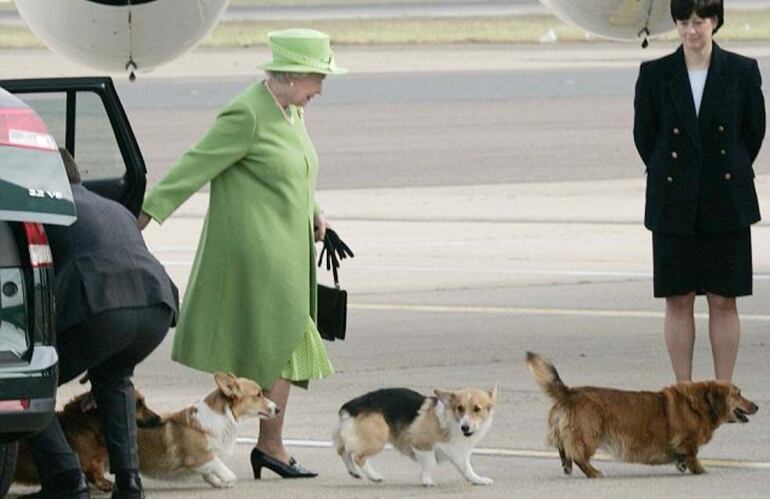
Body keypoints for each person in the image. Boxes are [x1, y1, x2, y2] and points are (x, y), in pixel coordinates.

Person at [137, 28, 346, 479]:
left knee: (277, 348)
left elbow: (298, 170)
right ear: (291, 76)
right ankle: (267, 445)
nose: (320, 90)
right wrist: (143, 217)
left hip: (289, 250)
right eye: (316, 79)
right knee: (291, 344)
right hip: (258, 254)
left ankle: (262, 444)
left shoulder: (291, 113)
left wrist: (315, 211)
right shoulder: (247, 114)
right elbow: (194, 165)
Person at [23, 148, 178, 499]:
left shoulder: (43, 207)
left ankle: (65, 479)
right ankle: (129, 482)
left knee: (28, 387)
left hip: (102, 308)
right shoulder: (112, 207)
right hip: (157, 306)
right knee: (114, 377)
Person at [633, 0, 765, 382]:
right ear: (676, 24)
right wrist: (671, 170)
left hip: (726, 200)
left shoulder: (741, 71)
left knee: (724, 299)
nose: (692, 30)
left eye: (700, 21)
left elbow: (752, 131)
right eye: (684, 21)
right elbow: (646, 136)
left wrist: (728, 169)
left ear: (715, 22)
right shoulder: (655, 74)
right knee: (679, 299)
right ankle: (684, 389)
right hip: (674, 200)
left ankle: (723, 390)